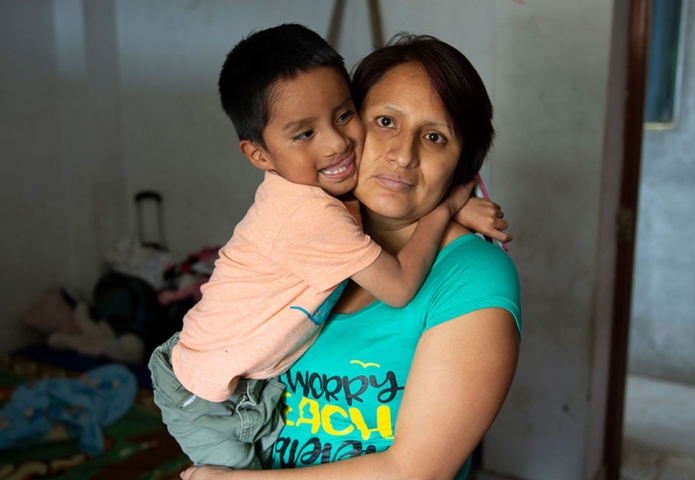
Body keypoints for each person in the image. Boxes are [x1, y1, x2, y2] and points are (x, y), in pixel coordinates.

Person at [148, 25, 508, 472]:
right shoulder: (321, 228)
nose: (402, 154)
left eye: (435, 137)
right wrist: (452, 207)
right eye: (385, 122)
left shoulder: (473, 275)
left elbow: (417, 471)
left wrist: (451, 208)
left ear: (462, 162)